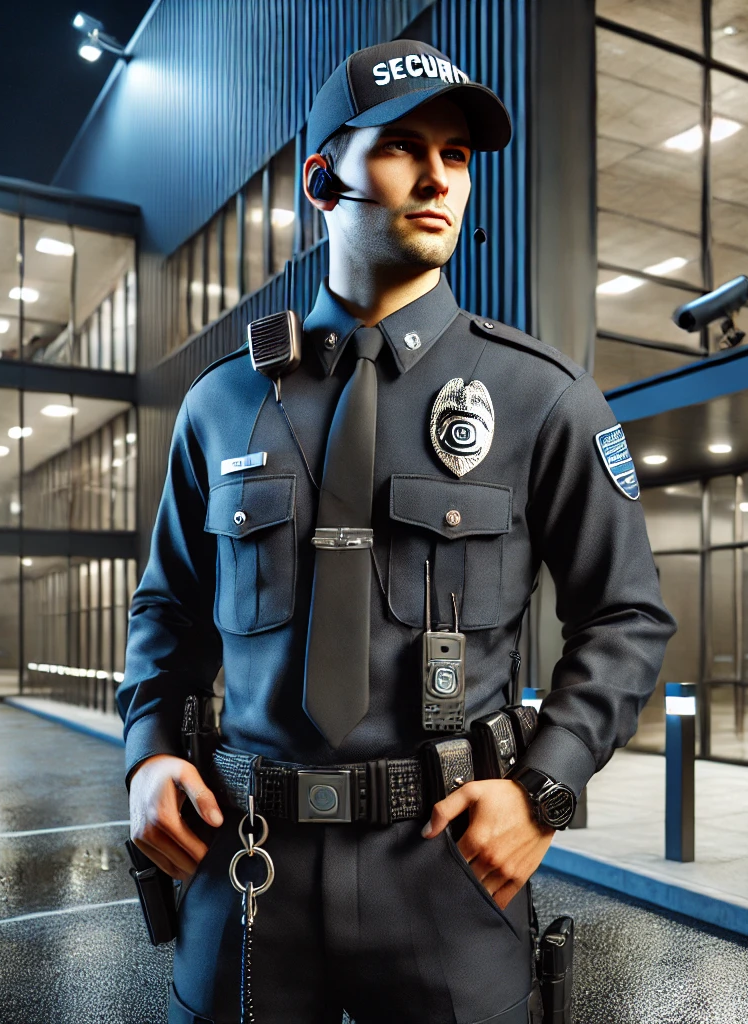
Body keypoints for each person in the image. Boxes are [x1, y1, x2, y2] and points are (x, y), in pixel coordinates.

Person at [117, 39, 676, 1024]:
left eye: (457, 156)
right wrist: (151, 749)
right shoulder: (222, 405)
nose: (438, 177)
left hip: (447, 869)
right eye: (403, 147)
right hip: (246, 866)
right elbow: (167, 606)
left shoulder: (543, 398)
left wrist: (542, 790)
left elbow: (626, 617)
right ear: (322, 177)